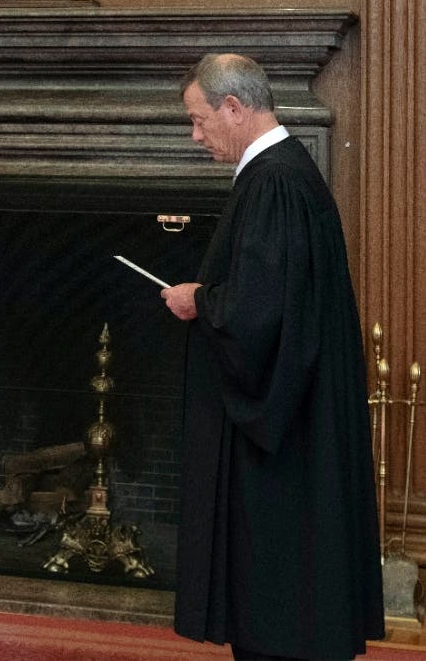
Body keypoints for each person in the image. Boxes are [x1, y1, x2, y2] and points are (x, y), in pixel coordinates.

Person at [161, 53, 385, 660]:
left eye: (199, 119)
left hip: (283, 440)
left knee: (279, 598)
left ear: (234, 108)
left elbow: (257, 315)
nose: (195, 134)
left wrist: (199, 300)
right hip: (300, 419)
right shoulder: (284, 174)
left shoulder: (275, 181)